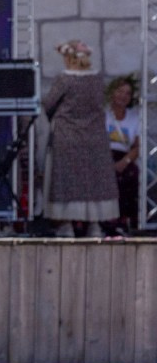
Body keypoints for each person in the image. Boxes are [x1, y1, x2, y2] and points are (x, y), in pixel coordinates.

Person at [42, 41, 120, 238]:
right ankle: (95, 225)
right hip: (94, 136)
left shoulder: (65, 80)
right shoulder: (97, 79)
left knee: (68, 181)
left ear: (68, 58)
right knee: (93, 181)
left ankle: (67, 224)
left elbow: (49, 104)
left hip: (68, 137)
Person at [110, 76, 141, 233]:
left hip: (124, 155)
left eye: (127, 93)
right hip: (105, 155)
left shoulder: (134, 117)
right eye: (120, 91)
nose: (123, 96)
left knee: (131, 174)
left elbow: (137, 146)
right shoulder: (103, 115)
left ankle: (126, 219)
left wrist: (125, 160)